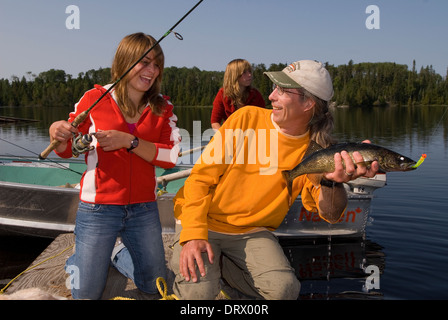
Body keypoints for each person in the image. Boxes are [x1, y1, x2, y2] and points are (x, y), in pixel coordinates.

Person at [169, 60, 379, 300]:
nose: (271, 96)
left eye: (282, 90)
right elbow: (199, 180)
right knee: (199, 295)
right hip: (203, 222)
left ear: (308, 103)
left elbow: (330, 215)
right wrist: (193, 235)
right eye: (274, 88)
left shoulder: (319, 150)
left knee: (285, 290)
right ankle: (208, 271)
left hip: (254, 231)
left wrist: (332, 182)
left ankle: (224, 271)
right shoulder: (245, 118)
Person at [49, 32, 180, 299]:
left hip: (143, 207)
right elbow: (65, 149)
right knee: (87, 294)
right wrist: (56, 132)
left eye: (156, 64)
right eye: (144, 62)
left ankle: (115, 254)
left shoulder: (163, 107)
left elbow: (171, 156)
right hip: (98, 209)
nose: (152, 71)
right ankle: (78, 261)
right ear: (125, 62)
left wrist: (130, 141)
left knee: (155, 286)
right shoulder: (93, 99)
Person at [211, 59, 265, 130]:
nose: (249, 75)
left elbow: (264, 120)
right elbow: (215, 122)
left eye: (250, 71)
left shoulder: (256, 95)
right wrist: (224, 137)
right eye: (244, 72)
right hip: (228, 135)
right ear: (234, 75)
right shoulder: (222, 94)